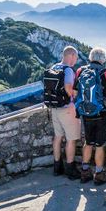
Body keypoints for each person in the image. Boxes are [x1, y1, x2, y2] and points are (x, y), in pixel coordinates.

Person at [75, 47, 106, 185]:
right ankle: (99, 174)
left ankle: (85, 172)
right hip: (102, 114)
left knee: (88, 142)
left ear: (90, 57)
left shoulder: (80, 71)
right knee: (100, 145)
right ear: (103, 59)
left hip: (85, 113)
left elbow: (75, 93)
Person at [43, 45, 82, 179]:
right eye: (76, 57)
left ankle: (57, 167)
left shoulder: (54, 67)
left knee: (58, 137)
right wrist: (75, 97)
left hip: (54, 108)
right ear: (71, 55)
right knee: (71, 139)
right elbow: (68, 88)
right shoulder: (68, 70)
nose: (76, 60)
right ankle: (70, 169)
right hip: (66, 108)